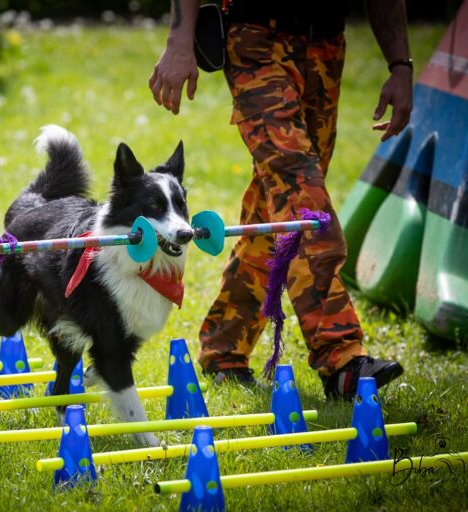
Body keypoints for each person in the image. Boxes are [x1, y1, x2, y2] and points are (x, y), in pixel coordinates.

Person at [149, 0, 412, 398]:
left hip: (326, 46)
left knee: (275, 202)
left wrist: (401, 65)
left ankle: (225, 344)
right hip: (255, 38)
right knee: (301, 196)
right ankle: (340, 354)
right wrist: (179, 40)